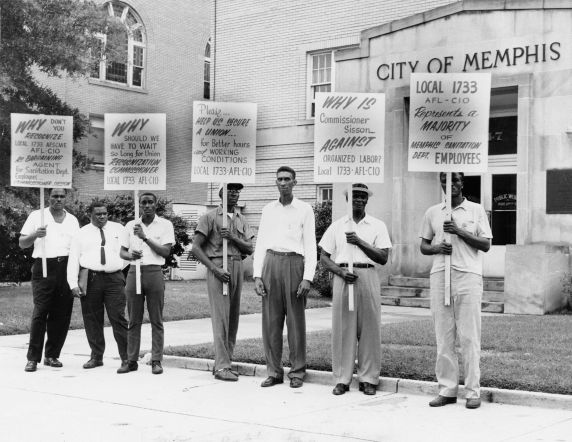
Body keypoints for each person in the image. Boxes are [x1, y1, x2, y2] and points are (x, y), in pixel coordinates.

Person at [419, 172, 492, 409]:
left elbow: (486, 244)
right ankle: (447, 389)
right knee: (444, 335)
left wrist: (460, 231)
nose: (450, 185)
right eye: (444, 180)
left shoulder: (476, 210)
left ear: (462, 183)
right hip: (440, 275)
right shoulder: (433, 212)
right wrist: (437, 247)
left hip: (467, 275)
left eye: (455, 181)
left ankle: (472, 391)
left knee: (470, 336)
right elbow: (423, 245)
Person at [319, 183, 391, 396]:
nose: (359, 199)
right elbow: (324, 257)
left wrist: (358, 241)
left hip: (367, 275)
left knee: (370, 329)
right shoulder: (337, 225)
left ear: (367, 200)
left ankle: (368, 378)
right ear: (348, 199)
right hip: (343, 277)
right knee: (343, 329)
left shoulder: (377, 225)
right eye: (355, 196)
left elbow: (383, 257)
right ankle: (342, 378)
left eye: (362, 196)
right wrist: (339, 273)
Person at [253, 166, 317, 388]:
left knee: (295, 322)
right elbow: (260, 242)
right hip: (271, 262)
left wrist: (307, 277)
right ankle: (274, 371)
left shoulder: (304, 209)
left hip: (294, 263)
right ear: (276, 182)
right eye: (279, 179)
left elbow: (310, 245)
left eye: (287, 179)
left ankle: (297, 371)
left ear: (295, 182)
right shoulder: (268, 209)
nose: (283, 183)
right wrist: (257, 275)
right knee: (271, 322)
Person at [191, 183, 254, 381]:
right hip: (218, 266)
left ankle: (226, 361)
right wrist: (214, 269)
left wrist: (234, 237)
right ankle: (221, 367)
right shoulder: (209, 217)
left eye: (237, 191)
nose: (234, 194)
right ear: (220, 194)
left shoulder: (241, 219)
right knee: (221, 317)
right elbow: (195, 248)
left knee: (233, 317)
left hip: (236, 265)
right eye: (230, 190)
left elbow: (249, 248)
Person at [19, 188, 80, 372]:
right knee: (40, 311)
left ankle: (52, 355)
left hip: (66, 267)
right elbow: (22, 243)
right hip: (44, 265)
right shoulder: (38, 216)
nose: (58, 199)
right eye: (55, 196)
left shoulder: (72, 220)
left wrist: (76, 275)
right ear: (48, 198)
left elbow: (77, 248)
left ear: (66, 198)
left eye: (62, 196)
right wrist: (35, 235)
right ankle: (33, 358)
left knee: (61, 314)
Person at [67, 201, 129, 370]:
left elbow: (125, 254)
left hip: (114, 279)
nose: (102, 217)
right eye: (98, 214)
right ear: (90, 215)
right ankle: (96, 356)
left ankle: (126, 358)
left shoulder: (119, 229)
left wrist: (114, 268)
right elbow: (73, 259)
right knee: (92, 319)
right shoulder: (81, 234)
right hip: (91, 278)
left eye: (104, 213)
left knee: (118, 317)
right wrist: (73, 283)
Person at [117, 192, 175, 375]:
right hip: (135, 271)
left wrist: (144, 237)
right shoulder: (130, 225)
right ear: (140, 205)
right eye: (144, 203)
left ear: (156, 205)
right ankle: (131, 360)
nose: (147, 205)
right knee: (133, 319)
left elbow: (165, 252)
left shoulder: (165, 225)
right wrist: (130, 256)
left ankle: (156, 360)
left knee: (156, 319)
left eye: (150, 202)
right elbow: (122, 252)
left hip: (154, 272)